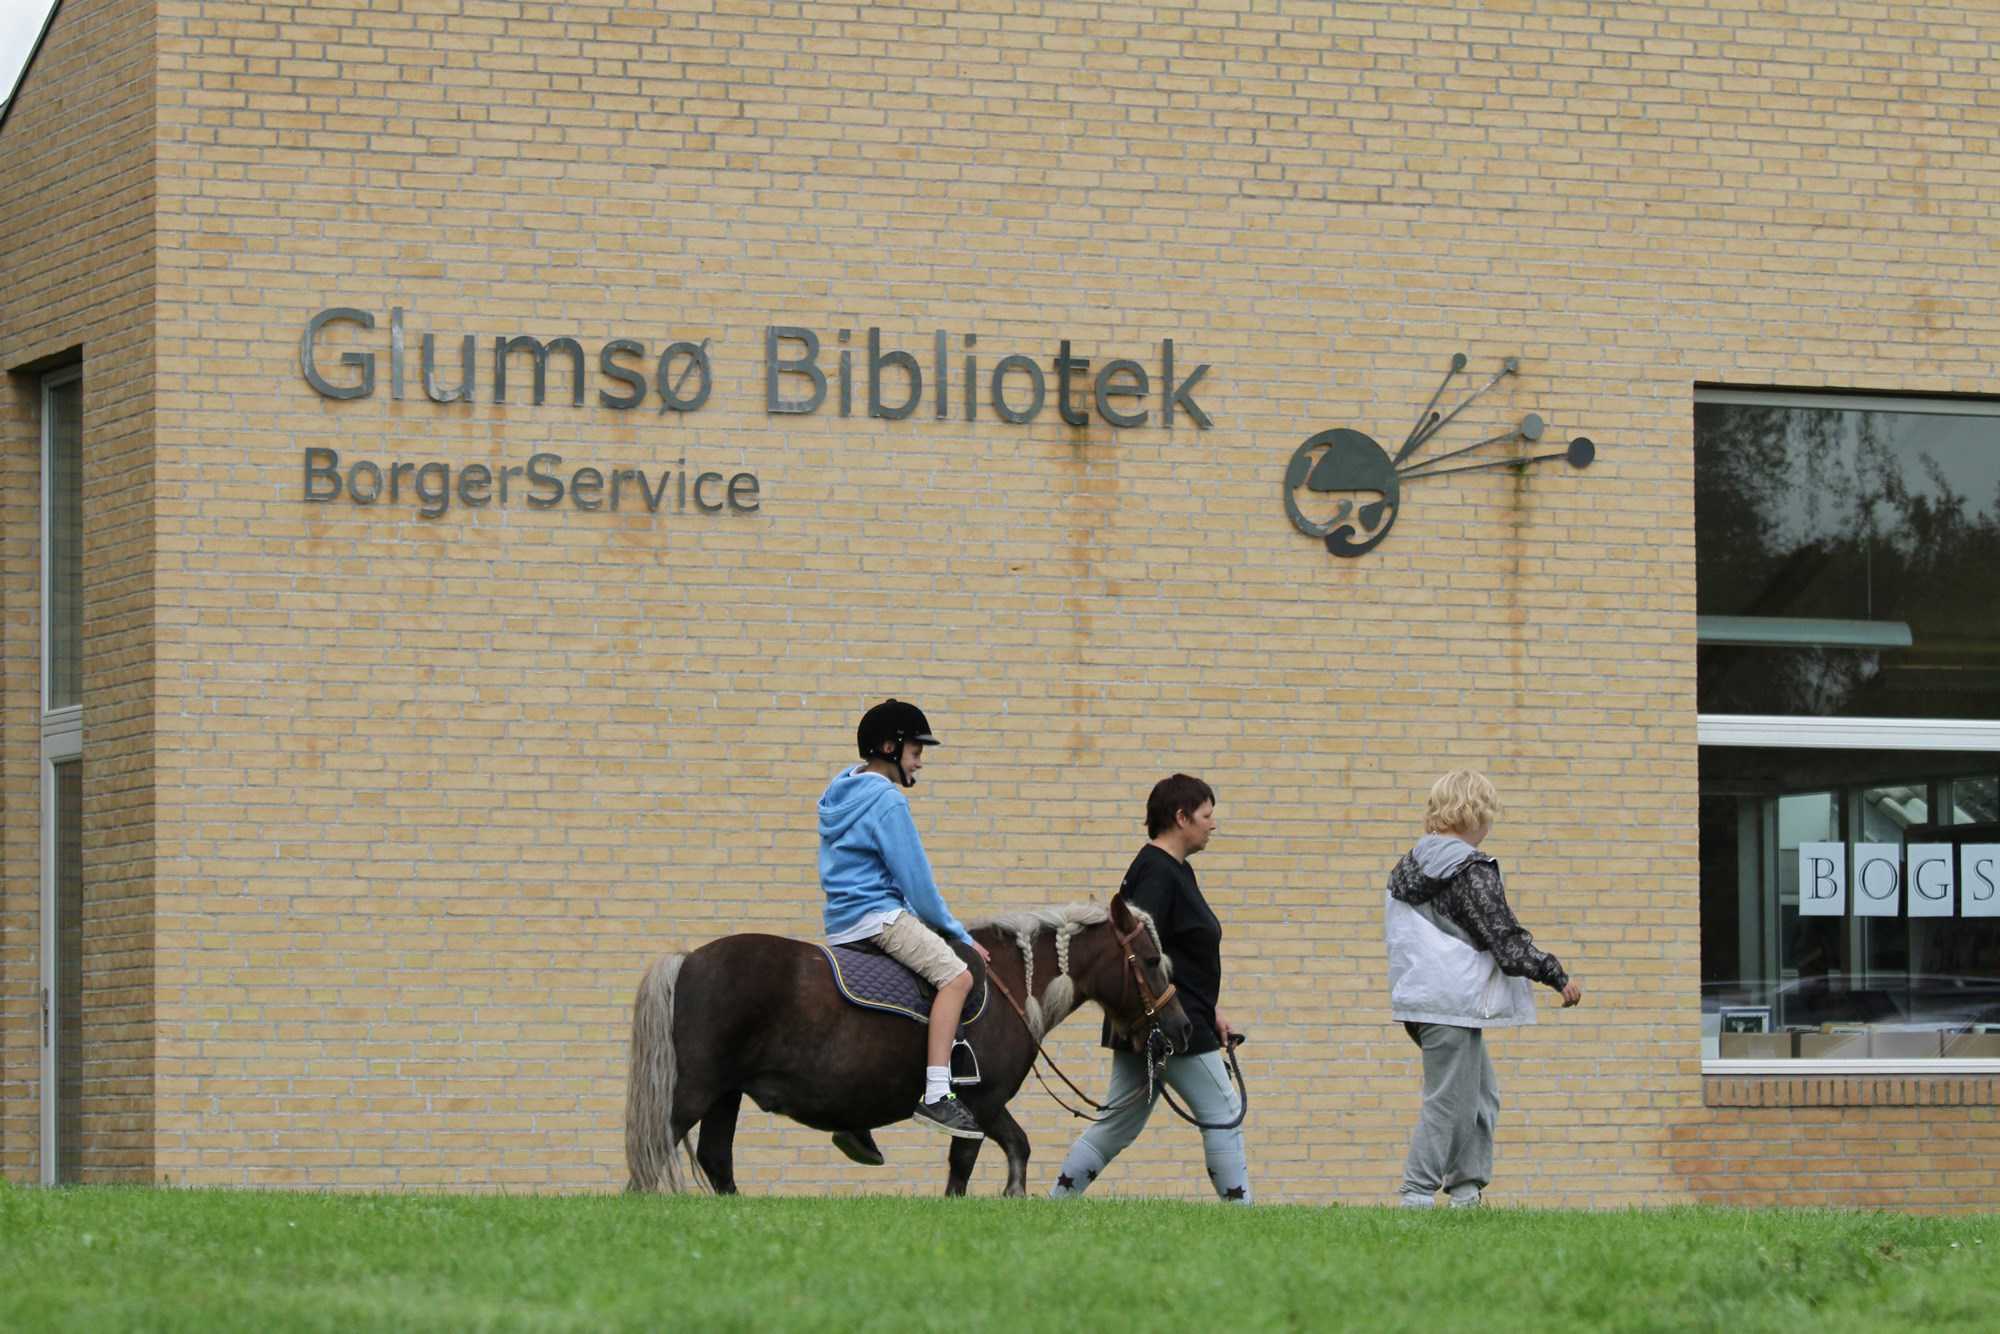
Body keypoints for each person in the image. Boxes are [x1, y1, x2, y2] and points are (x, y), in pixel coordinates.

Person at [1048, 774, 1251, 1204]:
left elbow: (1176, 952)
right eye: (1206, 815)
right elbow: (1136, 956)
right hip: (1170, 1024)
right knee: (1223, 1114)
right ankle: (1244, 1216)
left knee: (1119, 1122)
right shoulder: (1157, 874)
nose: (1213, 825)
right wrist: (1169, 1018)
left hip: (1172, 1018)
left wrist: (1211, 1009)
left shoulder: (1171, 870)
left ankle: (1056, 1202)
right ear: (1181, 818)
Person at [1385, 769, 1581, 1208]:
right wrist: (1555, 975)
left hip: (1423, 1000)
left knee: (1480, 1096)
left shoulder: (1411, 864)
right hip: (1451, 1003)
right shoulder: (1469, 868)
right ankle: (1416, 1196)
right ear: (1475, 812)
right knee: (1450, 1103)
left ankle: (1466, 1193)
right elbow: (1504, 939)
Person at [818, 698, 992, 1138]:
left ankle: (856, 1110)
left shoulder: (841, 792)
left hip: (841, 924)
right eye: (916, 751)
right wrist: (957, 933)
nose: (920, 762)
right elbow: (918, 885)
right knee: (956, 978)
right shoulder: (887, 802)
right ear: (889, 747)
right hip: (878, 917)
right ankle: (937, 1093)